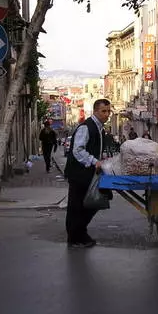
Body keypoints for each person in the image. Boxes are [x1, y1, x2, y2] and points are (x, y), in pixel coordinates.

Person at [64, 99, 112, 248]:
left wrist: (102, 159)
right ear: (96, 111)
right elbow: (78, 150)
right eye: (104, 111)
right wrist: (94, 161)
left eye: (108, 111)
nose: (107, 114)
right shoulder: (86, 127)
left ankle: (80, 234)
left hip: (89, 173)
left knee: (91, 203)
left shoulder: (99, 128)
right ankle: (74, 238)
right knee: (77, 206)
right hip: (79, 173)